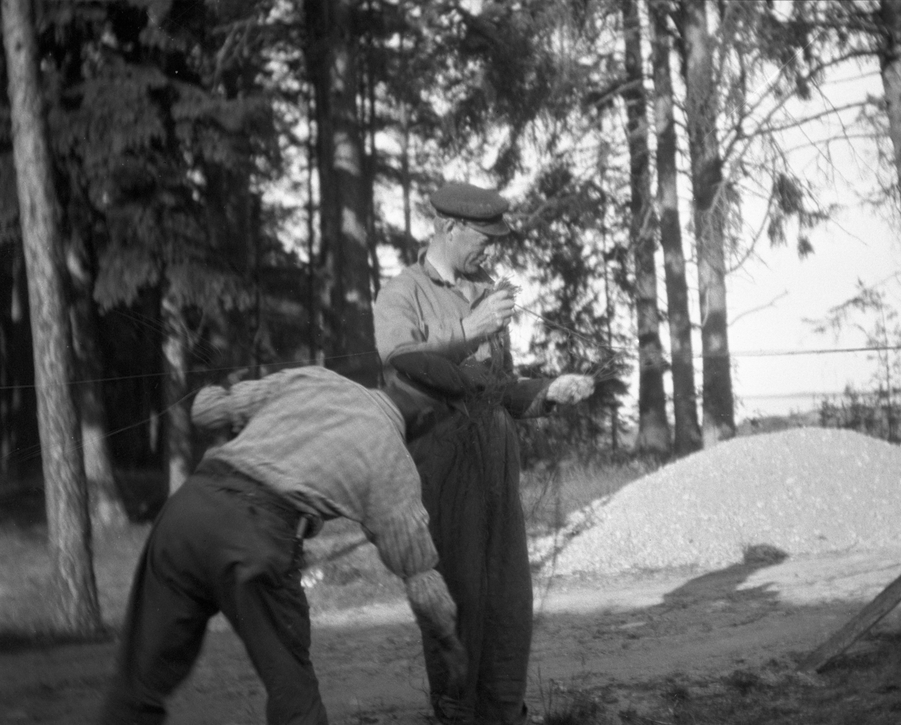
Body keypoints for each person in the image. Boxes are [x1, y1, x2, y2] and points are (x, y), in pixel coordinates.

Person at [99, 366, 468, 725]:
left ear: (390, 381)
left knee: (139, 683)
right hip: (256, 540)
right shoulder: (394, 464)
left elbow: (206, 410)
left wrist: (221, 390)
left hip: (186, 514)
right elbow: (421, 580)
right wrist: (449, 643)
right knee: (294, 696)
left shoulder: (315, 378)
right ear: (428, 415)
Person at [373, 182, 594, 725]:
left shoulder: (483, 291)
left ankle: (503, 714)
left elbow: (494, 387)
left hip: (499, 466)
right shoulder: (402, 293)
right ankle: (456, 714)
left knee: (508, 608)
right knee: (458, 601)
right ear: (449, 227)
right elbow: (401, 361)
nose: (494, 251)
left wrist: (546, 392)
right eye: (485, 238)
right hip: (442, 472)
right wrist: (470, 328)